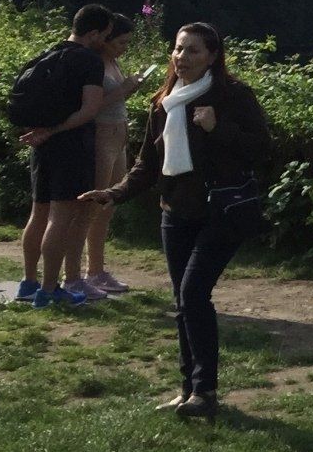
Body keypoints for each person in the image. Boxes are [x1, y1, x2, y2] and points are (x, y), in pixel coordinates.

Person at [82, 22, 272, 418]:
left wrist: (218, 129)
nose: (182, 58)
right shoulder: (165, 101)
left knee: (193, 295)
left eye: (193, 51)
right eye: (178, 49)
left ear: (213, 57)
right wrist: (113, 193)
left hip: (221, 211)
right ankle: (189, 390)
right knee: (184, 302)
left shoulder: (233, 97)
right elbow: (148, 166)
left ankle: (205, 392)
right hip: (176, 213)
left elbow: (261, 149)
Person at [14, 4, 115, 308]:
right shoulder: (89, 61)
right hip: (70, 146)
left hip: (41, 144)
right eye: (105, 36)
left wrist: (43, 132)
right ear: (93, 33)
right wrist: (55, 130)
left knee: (38, 213)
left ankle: (28, 283)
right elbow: (89, 109)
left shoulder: (49, 54)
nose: (106, 42)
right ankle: (48, 291)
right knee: (61, 217)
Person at [81, 13, 149, 298]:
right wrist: (123, 89)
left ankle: (96, 269)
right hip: (102, 135)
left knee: (109, 203)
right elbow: (91, 107)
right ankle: (85, 271)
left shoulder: (113, 62)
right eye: (121, 41)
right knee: (94, 204)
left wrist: (130, 88)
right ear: (105, 39)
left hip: (119, 134)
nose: (124, 47)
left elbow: (116, 98)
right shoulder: (94, 65)